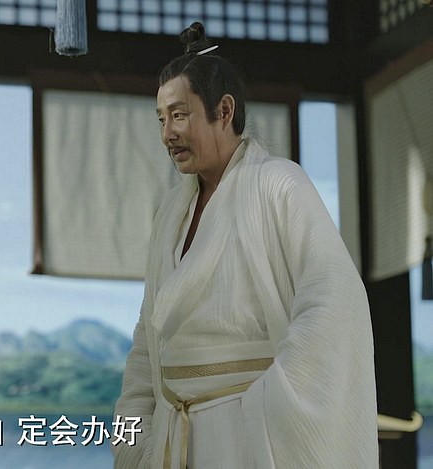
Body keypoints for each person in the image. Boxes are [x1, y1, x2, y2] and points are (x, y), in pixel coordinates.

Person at [112, 22, 378, 468]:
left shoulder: (279, 184)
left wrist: (268, 404)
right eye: (161, 119)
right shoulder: (170, 213)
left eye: (179, 115)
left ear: (223, 110)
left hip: (247, 430)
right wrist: (136, 431)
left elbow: (334, 300)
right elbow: (149, 337)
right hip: (172, 440)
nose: (167, 134)